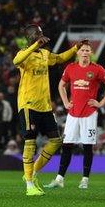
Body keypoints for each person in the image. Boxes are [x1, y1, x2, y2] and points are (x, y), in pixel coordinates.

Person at [12, 24, 81, 196]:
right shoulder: (24, 54)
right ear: (30, 37)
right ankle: (29, 185)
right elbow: (16, 61)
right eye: (38, 34)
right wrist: (35, 45)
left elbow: (58, 58)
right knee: (30, 142)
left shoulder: (44, 54)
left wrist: (75, 49)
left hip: (44, 105)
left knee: (56, 141)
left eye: (41, 33)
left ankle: (32, 172)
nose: (41, 36)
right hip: (28, 104)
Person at [44, 41, 105, 189]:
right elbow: (61, 85)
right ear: (78, 53)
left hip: (89, 114)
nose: (85, 52)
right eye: (83, 50)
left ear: (91, 53)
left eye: (88, 50)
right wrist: (66, 102)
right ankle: (59, 179)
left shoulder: (97, 69)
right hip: (73, 114)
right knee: (67, 145)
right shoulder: (70, 68)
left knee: (87, 147)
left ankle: (85, 180)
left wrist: (101, 103)